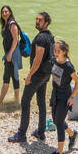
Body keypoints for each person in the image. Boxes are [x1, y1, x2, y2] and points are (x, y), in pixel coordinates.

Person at [8, 10, 53, 144]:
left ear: (46, 23)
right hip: (46, 74)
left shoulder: (40, 38)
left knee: (25, 101)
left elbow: (37, 59)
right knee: (41, 102)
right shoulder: (50, 36)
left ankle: (21, 134)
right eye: (36, 19)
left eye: (40, 20)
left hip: (37, 75)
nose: (37, 21)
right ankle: (41, 132)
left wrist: (29, 75)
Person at [48, 39, 78, 154]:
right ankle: (72, 134)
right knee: (56, 121)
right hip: (55, 94)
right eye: (55, 51)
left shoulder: (68, 66)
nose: (55, 53)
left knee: (59, 123)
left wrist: (72, 97)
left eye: (58, 51)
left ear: (64, 52)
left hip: (65, 97)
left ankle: (60, 152)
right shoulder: (54, 61)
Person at [0, 4, 23, 104]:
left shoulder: (12, 24)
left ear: (10, 12)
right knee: (14, 76)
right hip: (10, 54)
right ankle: (17, 99)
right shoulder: (5, 24)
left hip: (12, 54)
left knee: (6, 78)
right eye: (3, 12)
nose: (4, 13)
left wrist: (10, 54)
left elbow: (16, 40)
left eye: (6, 11)